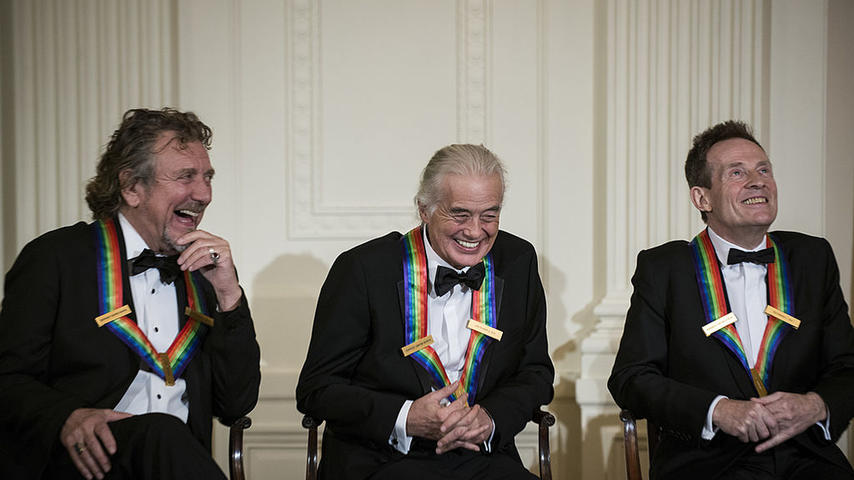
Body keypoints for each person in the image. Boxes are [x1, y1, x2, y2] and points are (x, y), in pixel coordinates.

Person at [0, 108, 261, 479]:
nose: (204, 194)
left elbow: (235, 404)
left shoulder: (207, 273)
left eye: (207, 178)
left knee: (165, 434)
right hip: (86, 465)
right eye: (186, 177)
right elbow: (8, 380)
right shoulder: (56, 258)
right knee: (159, 431)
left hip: (177, 464)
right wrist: (67, 417)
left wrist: (229, 294)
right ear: (132, 187)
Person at [609, 120, 854, 479]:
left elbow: (846, 366)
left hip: (806, 457)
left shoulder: (812, 258)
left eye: (764, 169)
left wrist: (815, 405)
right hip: (710, 462)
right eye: (736, 172)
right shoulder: (664, 268)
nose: (758, 181)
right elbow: (631, 378)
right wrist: (718, 411)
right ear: (701, 198)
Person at [296, 144, 554, 479]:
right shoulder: (363, 269)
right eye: (460, 214)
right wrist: (406, 417)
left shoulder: (518, 261)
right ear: (424, 209)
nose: (476, 231)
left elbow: (536, 373)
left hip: (482, 459)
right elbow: (317, 389)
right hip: (383, 459)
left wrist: (490, 418)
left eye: (489, 215)